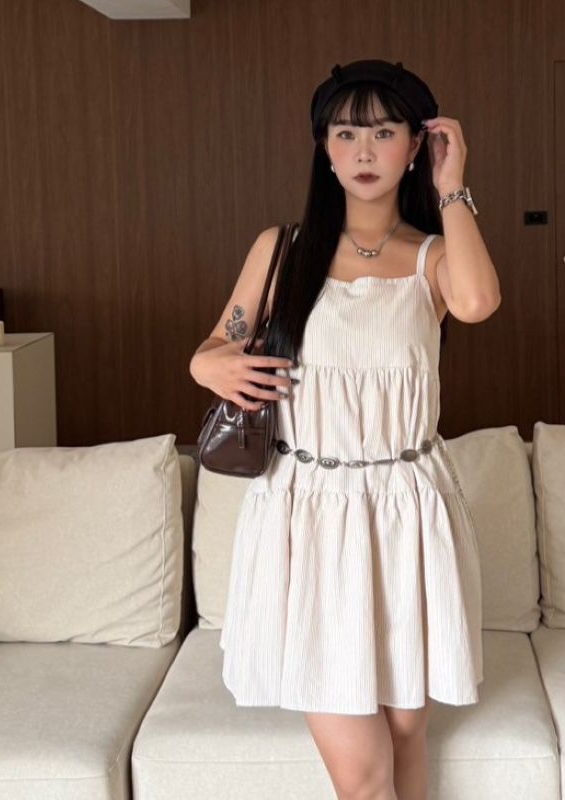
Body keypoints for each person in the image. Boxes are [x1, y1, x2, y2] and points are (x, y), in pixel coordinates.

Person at [189, 59, 501, 800]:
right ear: (324, 148)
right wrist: (212, 367)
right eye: (346, 133)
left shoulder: (431, 257)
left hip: (407, 512)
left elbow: (478, 302)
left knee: (406, 737)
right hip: (310, 514)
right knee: (363, 777)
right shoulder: (282, 250)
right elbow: (213, 348)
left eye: (385, 133)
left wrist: (454, 187)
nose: (364, 151)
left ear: (416, 146)